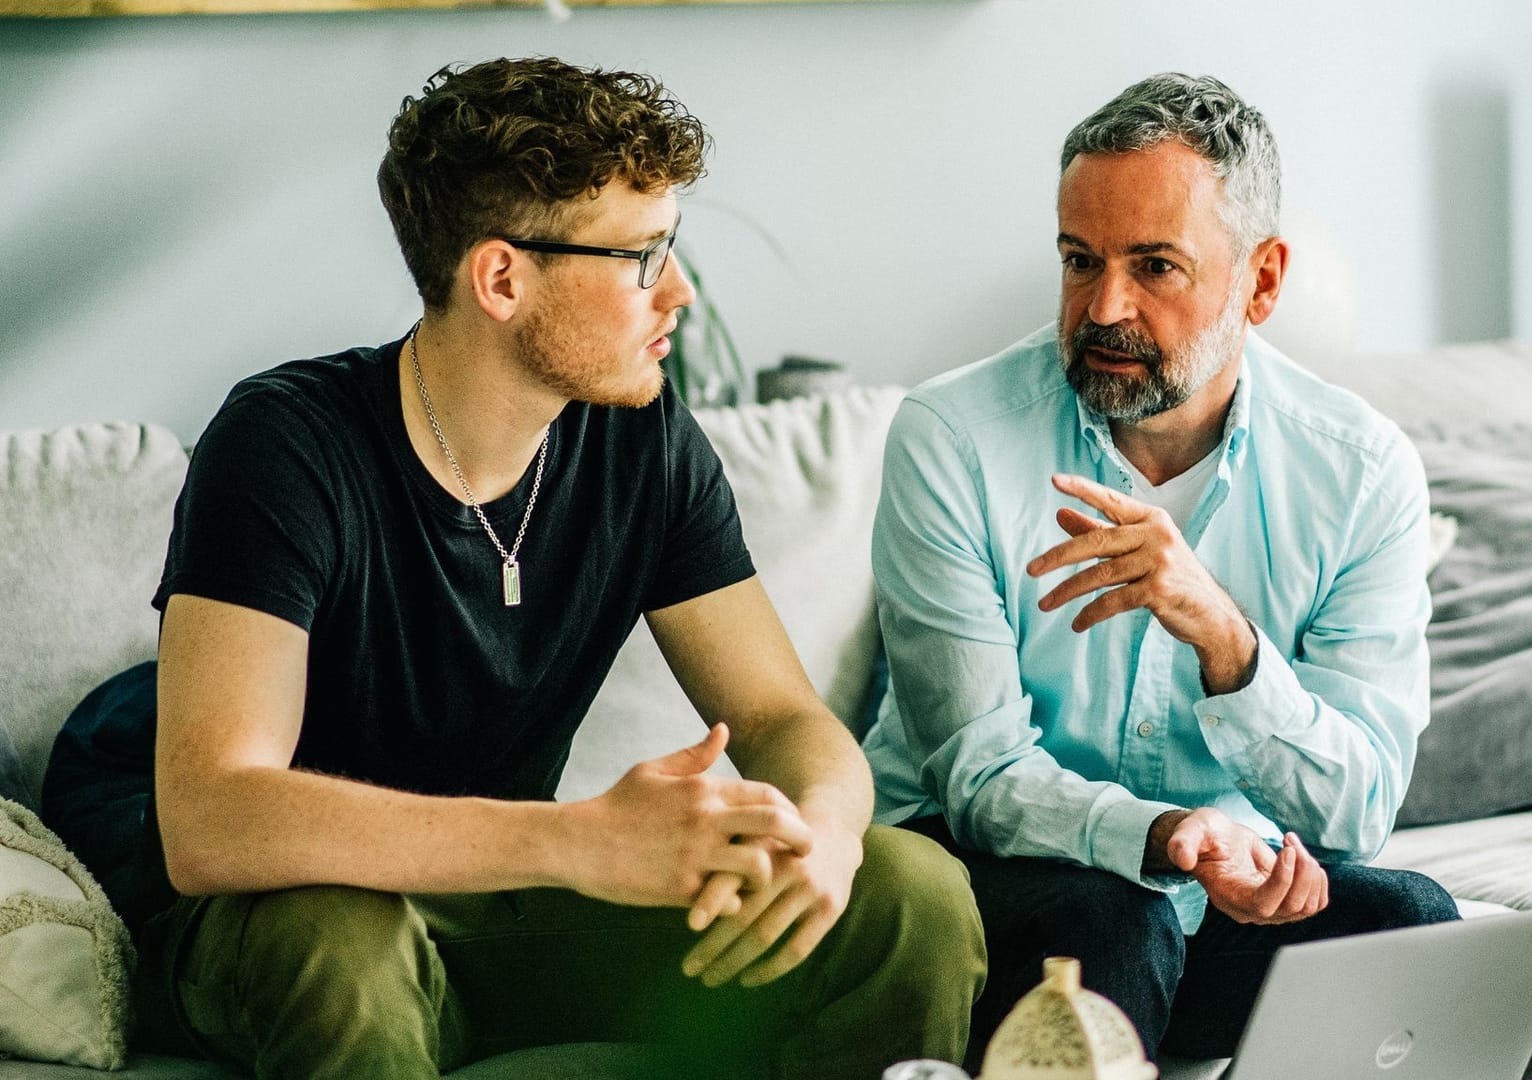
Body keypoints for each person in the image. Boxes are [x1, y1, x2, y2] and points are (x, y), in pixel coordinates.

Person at [49, 57, 984, 1080]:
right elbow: (213, 817)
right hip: (281, 920)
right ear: (501, 277)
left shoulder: (645, 443)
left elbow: (780, 720)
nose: (675, 292)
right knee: (342, 939)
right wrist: (575, 841)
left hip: (508, 912)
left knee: (911, 893)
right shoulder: (286, 443)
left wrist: (826, 837)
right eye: (638, 257)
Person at [861, 72, 1459, 1065]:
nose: (1105, 306)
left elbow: (1357, 808)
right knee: (1116, 917)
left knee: (1410, 923)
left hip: (1208, 881)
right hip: (989, 875)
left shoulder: (1359, 472)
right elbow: (977, 774)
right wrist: (1170, 836)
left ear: (1261, 281)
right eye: (1079, 260)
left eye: (1156, 267)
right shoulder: (952, 437)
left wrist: (1226, 640)